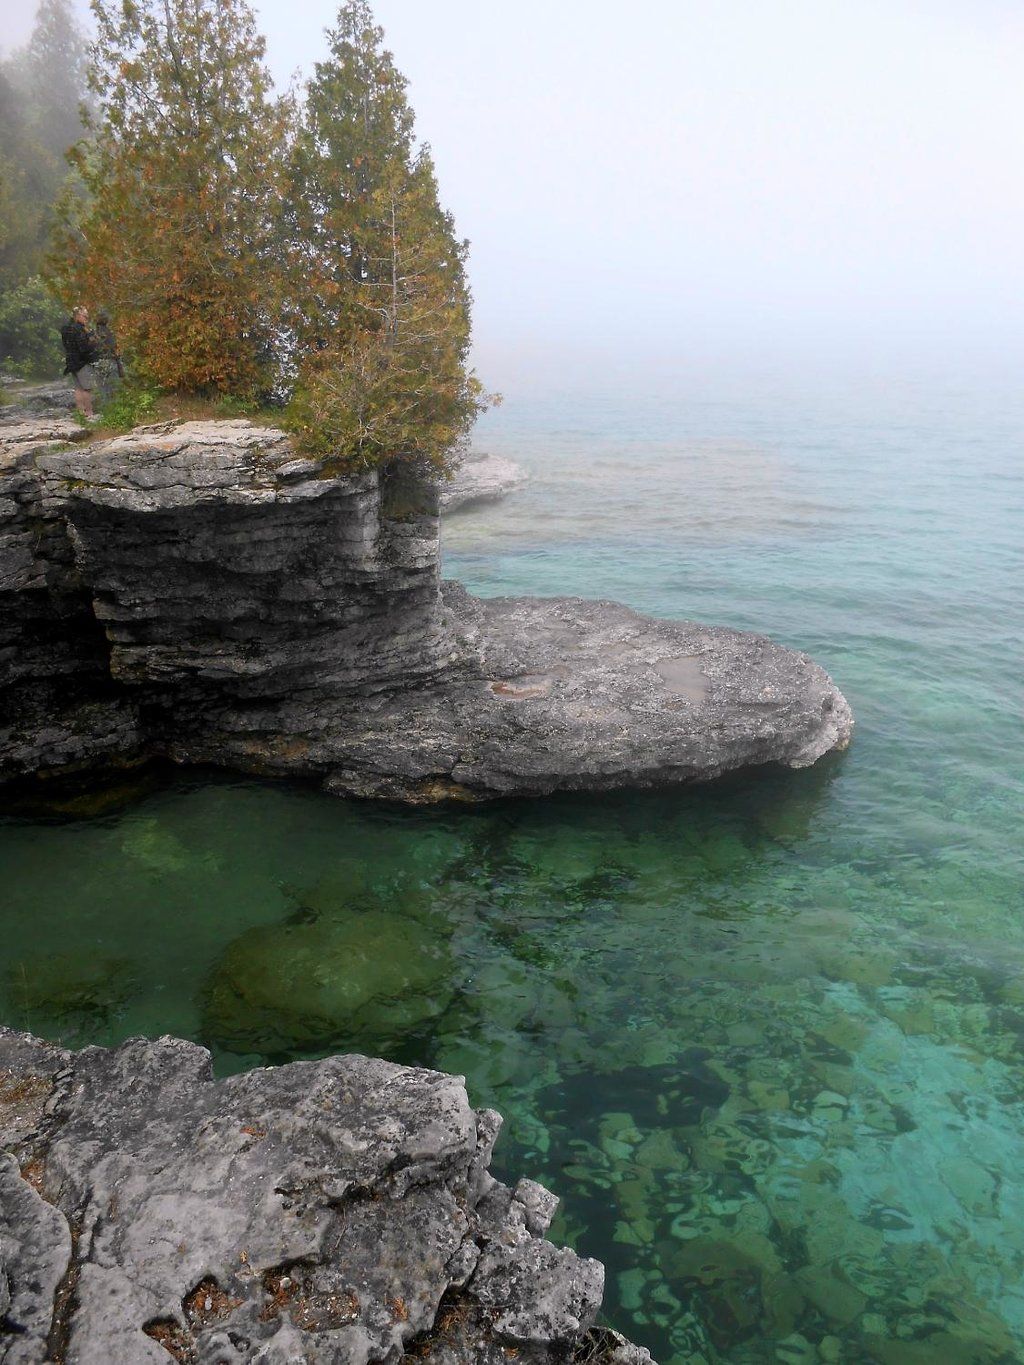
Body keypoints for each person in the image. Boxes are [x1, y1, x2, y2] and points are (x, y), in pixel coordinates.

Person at [60, 306, 101, 419]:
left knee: (78, 388)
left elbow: (66, 345)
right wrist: (93, 343)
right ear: (77, 316)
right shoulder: (79, 330)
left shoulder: (66, 329)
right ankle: (89, 412)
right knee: (87, 388)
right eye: (85, 316)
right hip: (82, 362)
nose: (87, 319)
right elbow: (83, 348)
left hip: (71, 361)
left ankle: (80, 413)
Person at [93, 310, 125, 407]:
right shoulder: (109, 332)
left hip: (98, 363)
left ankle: (107, 410)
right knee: (114, 387)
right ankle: (115, 409)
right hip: (110, 361)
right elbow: (114, 348)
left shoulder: (93, 333)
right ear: (106, 321)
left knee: (103, 389)